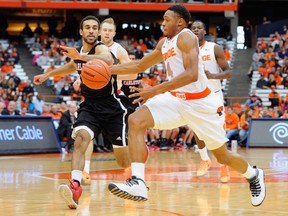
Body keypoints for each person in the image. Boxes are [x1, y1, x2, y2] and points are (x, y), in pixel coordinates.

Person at [107, 5, 266, 207]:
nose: (162, 23)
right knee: (136, 120)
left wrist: (155, 90)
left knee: (222, 156)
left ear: (179, 21)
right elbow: (138, 66)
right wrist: (104, 69)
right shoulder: (164, 43)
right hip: (176, 99)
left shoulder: (186, 37)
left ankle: (253, 175)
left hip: (201, 104)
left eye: (166, 19)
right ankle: (138, 182)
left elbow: (191, 74)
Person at [33, 15, 130, 210]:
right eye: (88, 27)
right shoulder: (79, 52)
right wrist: (47, 74)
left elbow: (107, 58)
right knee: (80, 140)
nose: (92, 30)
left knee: (123, 160)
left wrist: (82, 57)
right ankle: (75, 185)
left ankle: (136, 166)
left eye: (95, 27)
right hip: (90, 107)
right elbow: (72, 66)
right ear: (81, 31)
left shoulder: (101, 48)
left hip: (112, 109)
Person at [81, 17, 141, 185]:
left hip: (116, 98)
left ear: (114, 33)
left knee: (120, 149)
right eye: (104, 30)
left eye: (110, 30)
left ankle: (130, 169)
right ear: (99, 32)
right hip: (94, 98)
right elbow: (83, 70)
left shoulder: (119, 50)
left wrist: (108, 74)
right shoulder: (90, 49)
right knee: (85, 134)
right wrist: (81, 79)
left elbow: (132, 73)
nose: (106, 33)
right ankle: (85, 170)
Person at [191, 20, 232, 183]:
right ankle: (204, 159)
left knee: (219, 132)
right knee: (196, 128)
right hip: (195, 95)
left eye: (199, 28)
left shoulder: (214, 48)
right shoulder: (186, 50)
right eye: (193, 28)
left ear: (204, 31)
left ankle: (223, 165)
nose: (196, 30)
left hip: (214, 95)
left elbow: (228, 72)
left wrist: (213, 76)